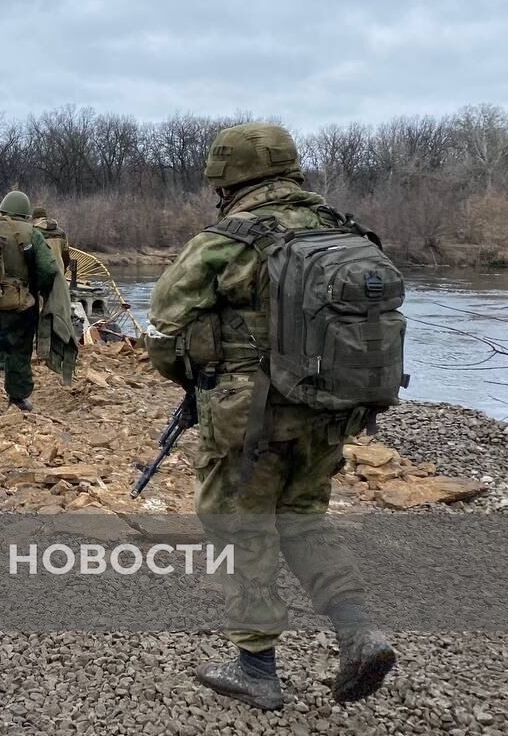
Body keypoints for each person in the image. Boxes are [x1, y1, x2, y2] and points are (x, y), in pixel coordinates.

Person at [147, 122, 396, 711]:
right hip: (331, 412)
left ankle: (257, 669)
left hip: (249, 422)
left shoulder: (227, 240)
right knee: (304, 519)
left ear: (226, 176)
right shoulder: (344, 230)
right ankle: (359, 630)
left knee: (240, 529)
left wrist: (195, 374)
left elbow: (163, 320)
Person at [0, 191, 59, 420]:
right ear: (25, 212)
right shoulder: (32, 233)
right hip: (21, 306)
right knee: (19, 350)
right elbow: (49, 269)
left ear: (3, 208)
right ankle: (18, 398)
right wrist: (38, 289)